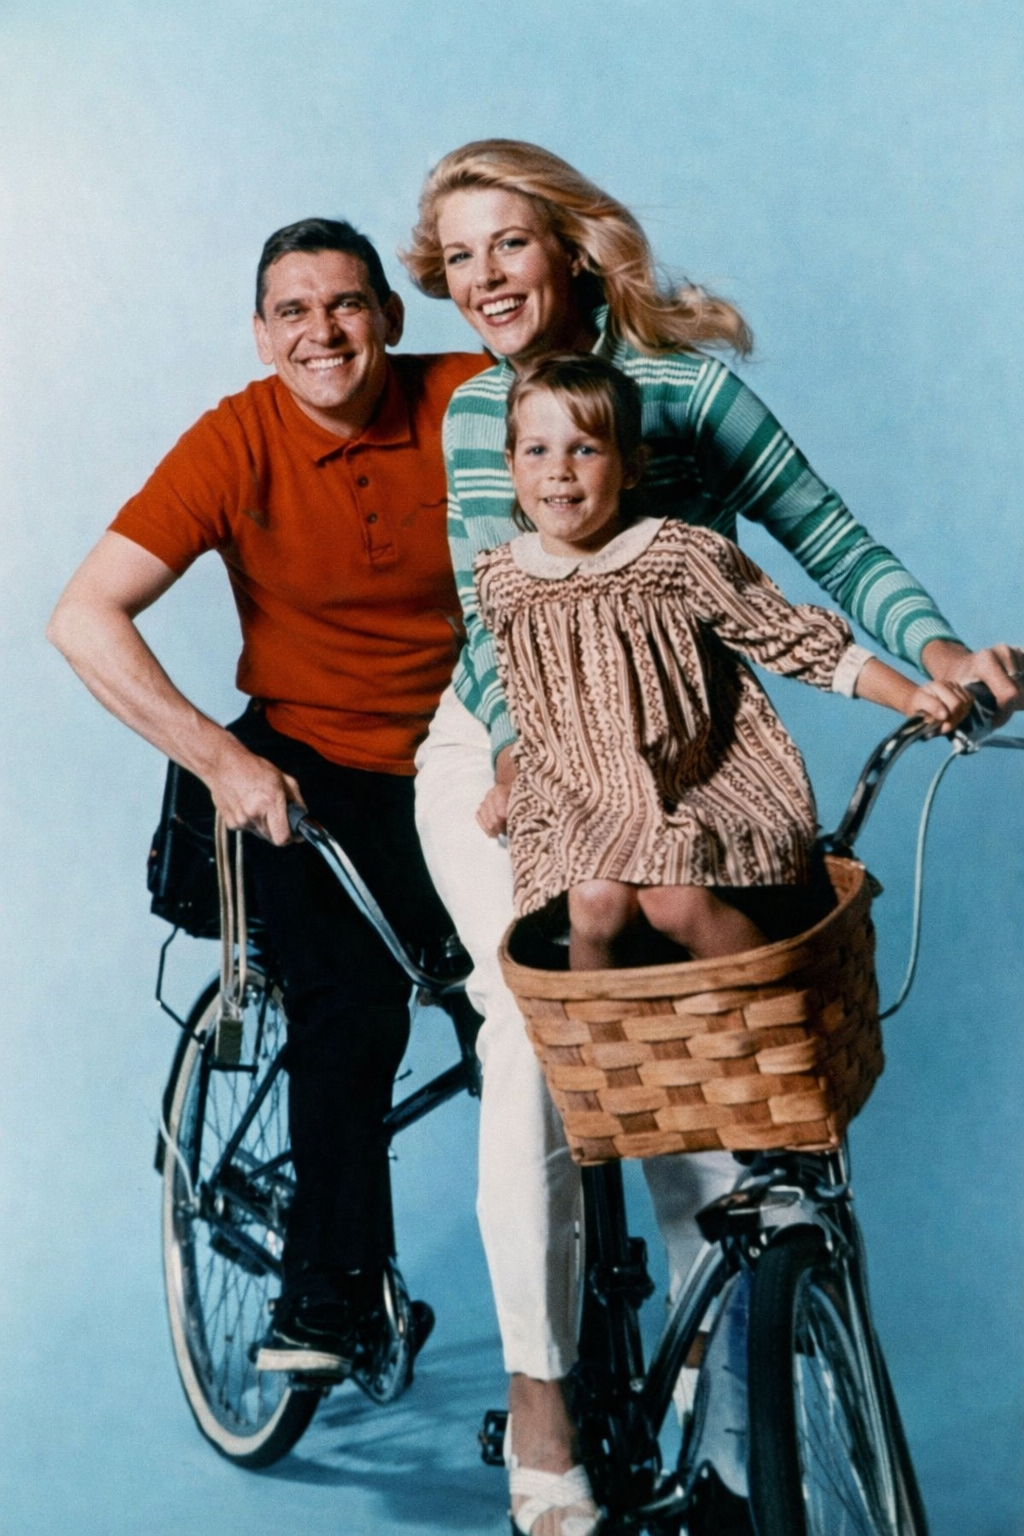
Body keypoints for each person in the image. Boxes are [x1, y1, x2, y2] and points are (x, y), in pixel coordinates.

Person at [400, 139, 1024, 1536]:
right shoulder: (478, 414)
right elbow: (488, 618)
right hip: (509, 749)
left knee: (702, 1038)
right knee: (539, 1026)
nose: (485, 278)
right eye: (458, 257)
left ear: (570, 247)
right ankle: (543, 1392)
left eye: (509, 243)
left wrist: (935, 657)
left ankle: (736, 1416)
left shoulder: (691, 396)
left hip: (683, 749)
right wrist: (526, 748)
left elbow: (829, 546)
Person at [47, 217, 487, 1375]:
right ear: (260, 334)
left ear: (390, 317)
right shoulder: (237, 439)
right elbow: (82, 616)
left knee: (534, 1016)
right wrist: (219, 760)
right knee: (351, 1004)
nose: (320, 332)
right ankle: (327, 1296)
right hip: (306, 765)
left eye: (345, 304)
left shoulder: (468, 399)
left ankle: (588, 1327)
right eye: (292, 311)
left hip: (464, 759)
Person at [477, 353, 972, 973]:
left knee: (675, 903)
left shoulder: (675, 556)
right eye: (537, 451)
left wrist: (908, 696)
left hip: (688, 785)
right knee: (595, 905)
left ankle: (775, 1002)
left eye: (585, 449)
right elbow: (531, 707)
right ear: (510, 465)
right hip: (579, 801)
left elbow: (790, 637)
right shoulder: (504, 580)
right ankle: (593, 1035)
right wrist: (510, 779)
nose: (559, 471)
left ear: (632, 468)